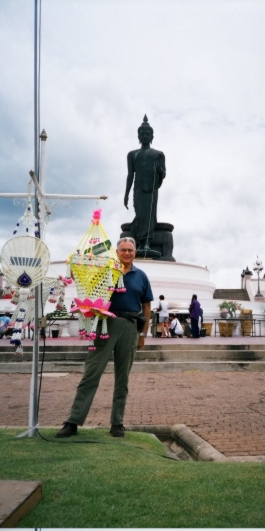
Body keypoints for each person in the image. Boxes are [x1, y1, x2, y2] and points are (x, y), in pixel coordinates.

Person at [55, 237, 153, 438]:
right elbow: (82, 276)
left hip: (130, 327)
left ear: (135, 252)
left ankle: (117, 423)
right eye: (123, 249)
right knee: (91, 373)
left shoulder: (141, 276)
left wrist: (143, 334)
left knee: (122, 378)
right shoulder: (105, 269)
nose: (127, 253)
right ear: (116, 252)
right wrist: (74, 266)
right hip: (105, 324)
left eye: (130, 250)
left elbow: (147, 307)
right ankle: (73, 421)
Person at [124, 115, 166, 251]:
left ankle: (146, 243)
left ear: (152, 137)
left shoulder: (158, 155)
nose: (145, 136)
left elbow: (163, 174)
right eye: (142, 134)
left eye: (148, 134)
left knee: (149, 214)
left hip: (151, 189)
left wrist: (160, 172)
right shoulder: (132, 154)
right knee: (140, 213)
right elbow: (130, 175)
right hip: (139, 188)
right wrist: (126, 194)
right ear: (138, 137)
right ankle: (139, 242)